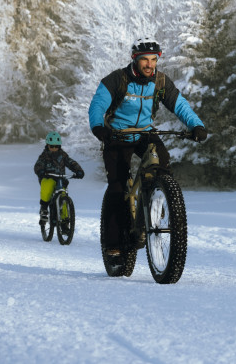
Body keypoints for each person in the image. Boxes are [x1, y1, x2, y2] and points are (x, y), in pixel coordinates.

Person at [88, 37, 207, 256]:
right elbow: (98, 105)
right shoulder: (117, 80)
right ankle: (114, 243)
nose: (150, 65)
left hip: (144, 133)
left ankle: (155, 203)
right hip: (116, 135)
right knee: (117, 186)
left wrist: (196, 125)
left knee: (161, 160)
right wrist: (99, 127)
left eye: (154, 59)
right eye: (145, 60)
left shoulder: (160, 82)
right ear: (135, 59)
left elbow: (180, 105)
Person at [33, 131, 84, 225]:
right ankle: (44, 208)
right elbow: (38, 165)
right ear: (47, 145)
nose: (54, 148)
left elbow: (71, 162)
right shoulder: (44, 156)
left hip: (60, 179)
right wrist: (40, 171)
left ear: (59, 146)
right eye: (51, 146)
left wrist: (78, 171)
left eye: (56, 146)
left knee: (64, 197)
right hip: (48, 177)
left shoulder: (63, 155)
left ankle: (65, 222)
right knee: (47, 188)